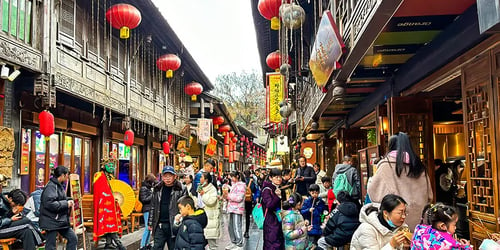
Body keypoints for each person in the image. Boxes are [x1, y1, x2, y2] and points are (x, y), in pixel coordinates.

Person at [367, 132, 433, 231]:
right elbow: (430, 196)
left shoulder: (386, 166)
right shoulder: (419, 167)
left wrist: (370, 181)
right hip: (420, 224)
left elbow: (374, 194)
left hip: (397, 224)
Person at [149, 166, 187, 250]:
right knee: (157, 247)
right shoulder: (157, 188)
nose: (167, 178)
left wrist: (183, 221)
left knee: (174, 247)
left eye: (170, 176)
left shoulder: (181, 188)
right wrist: (150, 222)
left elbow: (185, 207)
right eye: (165, 176)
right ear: (162, 177)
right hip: (159, 224)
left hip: (174, 224)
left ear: (174, 176)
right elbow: (153, 206)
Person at [40, 166, 78, 250]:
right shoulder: (51, 187)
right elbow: (50, 204)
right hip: (51, 220)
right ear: (62, 175)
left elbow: (59, 198)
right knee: (51, 245)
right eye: (67, 175)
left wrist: (70, 199)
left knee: (73, 238)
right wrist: (66, 203)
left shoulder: (58, 185)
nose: (68, 177)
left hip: (60, 220)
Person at [93, 160, 126, 250]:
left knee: (111, 223)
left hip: (112, 205)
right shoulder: (99, 175)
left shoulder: (111, 177)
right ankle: (119, 244)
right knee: (109, 223)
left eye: (113, 166)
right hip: (104, 205)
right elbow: (100, 191)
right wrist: (110, 198)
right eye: (109, 165)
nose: (111, 167)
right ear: (104, 166)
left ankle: (108, 243)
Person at [262, 168, 285, 250]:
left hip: (278, 220)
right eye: (276, 177)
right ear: (271, 178)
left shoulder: (278, 188)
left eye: (280, 177)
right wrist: (277, 197)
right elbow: (270, 206)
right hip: (271, 221)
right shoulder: (267, 190)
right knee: (272, 244)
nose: (279, 179)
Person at [223, 171, 246, 250]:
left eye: (232, 177)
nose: (231, 178)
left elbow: (239, 198)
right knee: (231, 226)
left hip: (237, 209)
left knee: (236, 226)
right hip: (231, 208)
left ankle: (239, 243)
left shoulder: (241, 186)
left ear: (237, 176)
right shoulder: (233, 185)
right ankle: (233, 242)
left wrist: (228, 196)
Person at [198, 172, 220, 250]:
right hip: (202, 216)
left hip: (210, 218)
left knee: (212, 243)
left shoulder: (212, 189)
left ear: (206, 180)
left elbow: (211, 201)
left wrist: (203, 195)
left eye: (201, 177)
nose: (200, 179)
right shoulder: (200, 187)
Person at [139, 173, 156, 250]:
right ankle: (142, 245)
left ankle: (147, 243)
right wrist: (152, 195)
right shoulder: (144, 188)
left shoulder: (148, 188)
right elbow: (143, 199)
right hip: (146, 209)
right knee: (147, 227)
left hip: (150, 209)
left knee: (150, 227)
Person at [243, 170, 257, 238]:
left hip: (241, 200)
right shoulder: (251, 181)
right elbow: (254, 189)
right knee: (247, 216)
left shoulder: (242, 181)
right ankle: (246, 231)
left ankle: (239, 232)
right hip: (249, 200)